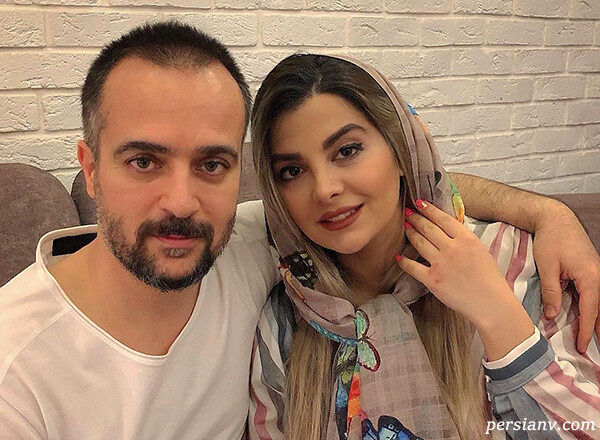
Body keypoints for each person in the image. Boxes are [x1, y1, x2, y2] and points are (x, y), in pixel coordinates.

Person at [0, 21, 598, 440]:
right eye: (143, 161)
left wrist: (547, 214)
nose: (180, 201)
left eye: (212, 164)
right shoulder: (16, 367)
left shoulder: (238, 245)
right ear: (89, 169)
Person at [247, 54, 600, 440]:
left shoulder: (520, 263)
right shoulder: (285, 320)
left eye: (347, 151)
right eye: (292, 171)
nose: (324, 189)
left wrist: (500, 318)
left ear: (403, 150)